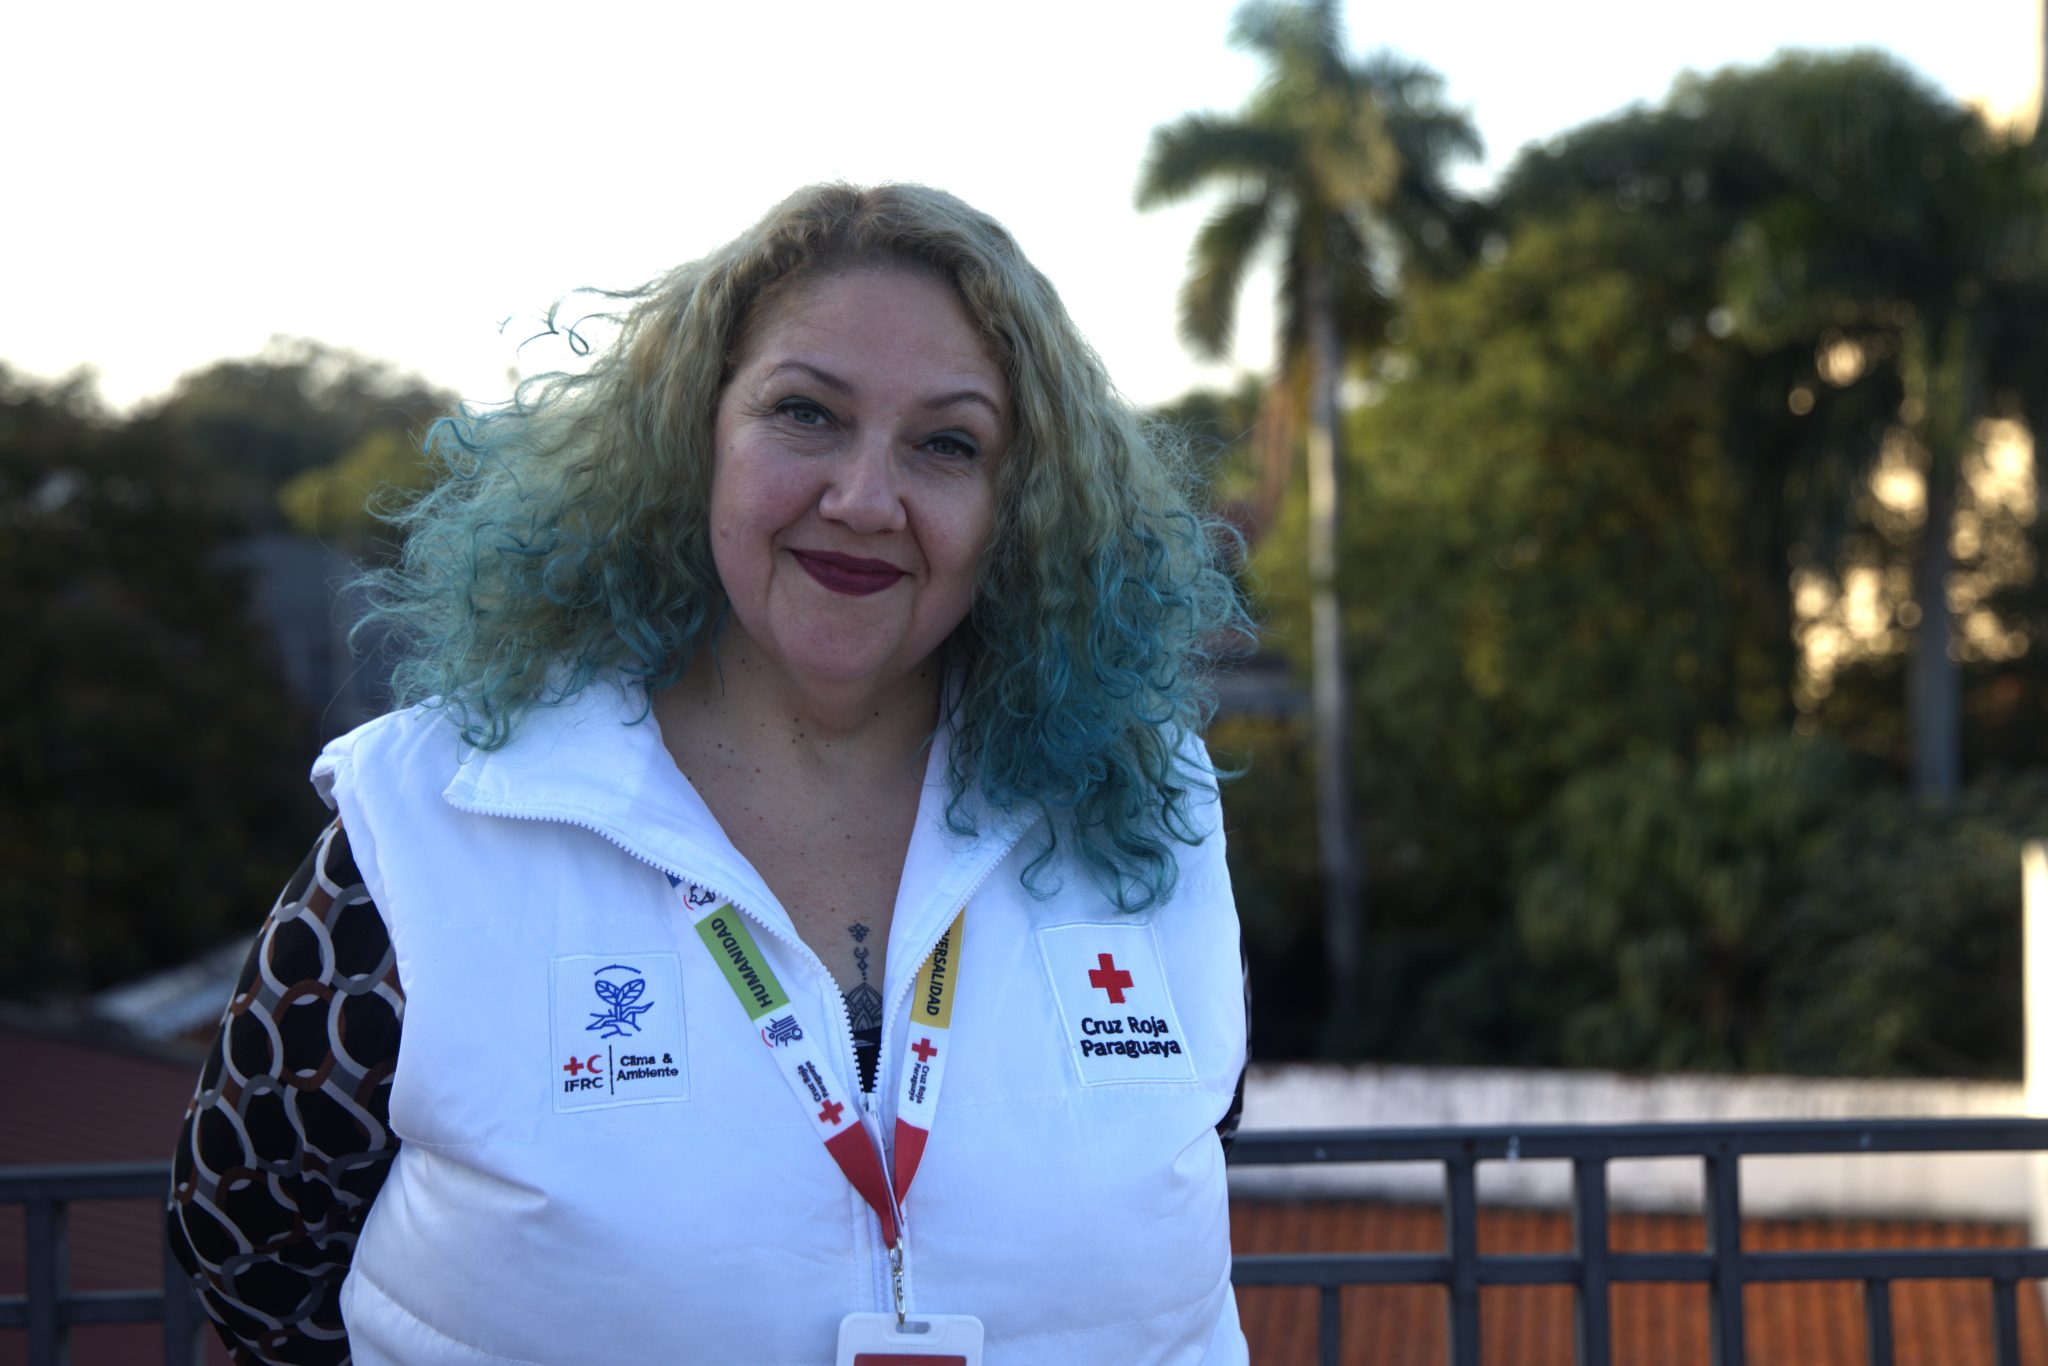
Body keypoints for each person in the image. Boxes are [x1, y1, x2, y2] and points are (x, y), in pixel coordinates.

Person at [168, 182, 1253, 1365]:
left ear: (1020, 507)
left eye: (948, 443)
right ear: (693, 439)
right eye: (804, 413)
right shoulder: (426, 815)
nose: (863, 499)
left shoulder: (1151, 805)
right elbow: (249, 1248)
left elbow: (1183, 1161)